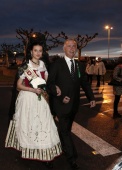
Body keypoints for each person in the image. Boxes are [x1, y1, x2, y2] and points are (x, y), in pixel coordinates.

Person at [5, 42, 62, 169]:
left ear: (42, 52)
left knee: (43, 124)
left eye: (40, 51)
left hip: (41, 99)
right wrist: (33, 90)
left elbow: (46, 82)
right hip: (28, 99)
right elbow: (19, 86)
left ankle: (44, 155)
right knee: (29, 124)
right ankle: (28, 149)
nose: (38, 53)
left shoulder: (43, 64)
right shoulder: (25, 66)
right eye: (35, 50)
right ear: (31, 52)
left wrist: (50, 88)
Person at [47, 39, 96, 170]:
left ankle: (52, 151)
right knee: (65, 131)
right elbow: (49, 84)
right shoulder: (57, 64)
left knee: (65, 130)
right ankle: (72, 158)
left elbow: (85, 83)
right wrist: (60, 95)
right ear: (64, 48)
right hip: (60, 104)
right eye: (69, 46)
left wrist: (91, 97)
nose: (72, 48)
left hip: (74, 106)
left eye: (74, 46)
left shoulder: (79, 65)